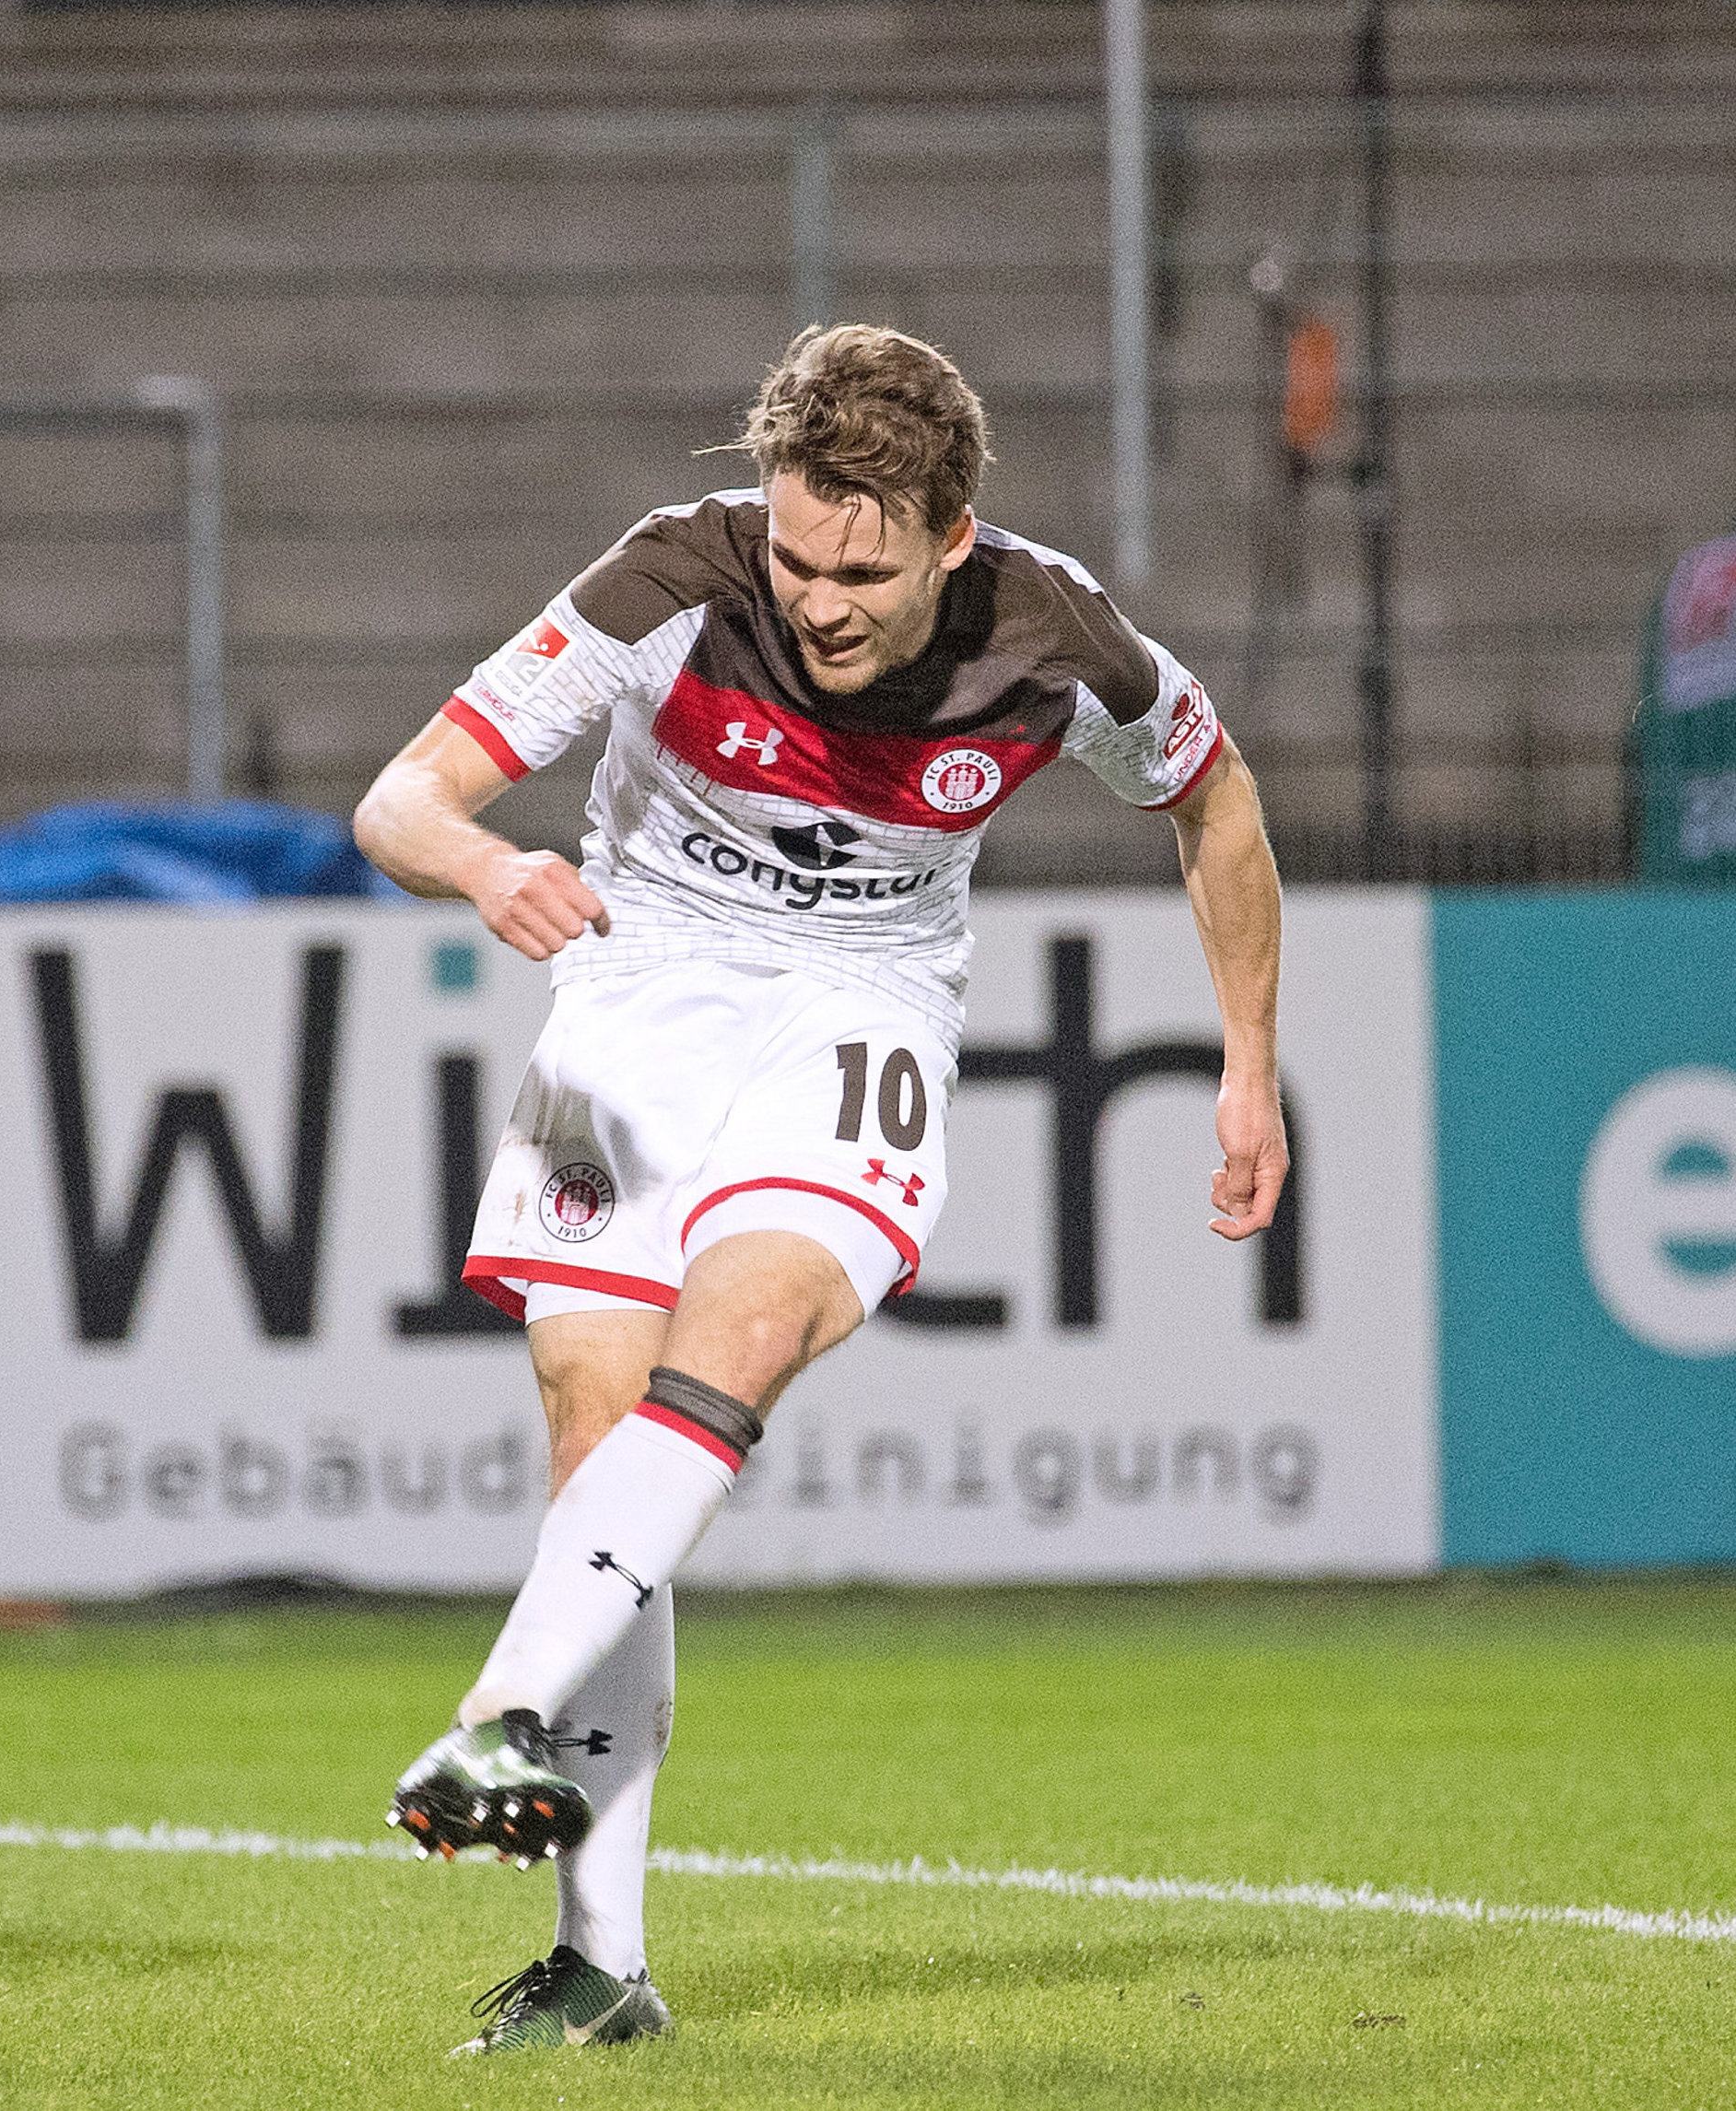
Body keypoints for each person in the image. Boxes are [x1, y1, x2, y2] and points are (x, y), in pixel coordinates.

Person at [351, 324, 1285, 2054]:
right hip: (636, 991)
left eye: (863, 568)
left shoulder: (1056, 636)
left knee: (754, 1316)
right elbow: (404, 796)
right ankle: (600, 1963)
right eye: (795, 555)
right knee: (590, 1417)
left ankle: (496, 1712)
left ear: (951, 540)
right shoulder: (667, 580)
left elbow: (1214, 801)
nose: (821, 600)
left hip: (866, 1005)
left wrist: (1243, 1061)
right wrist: (486, 863)